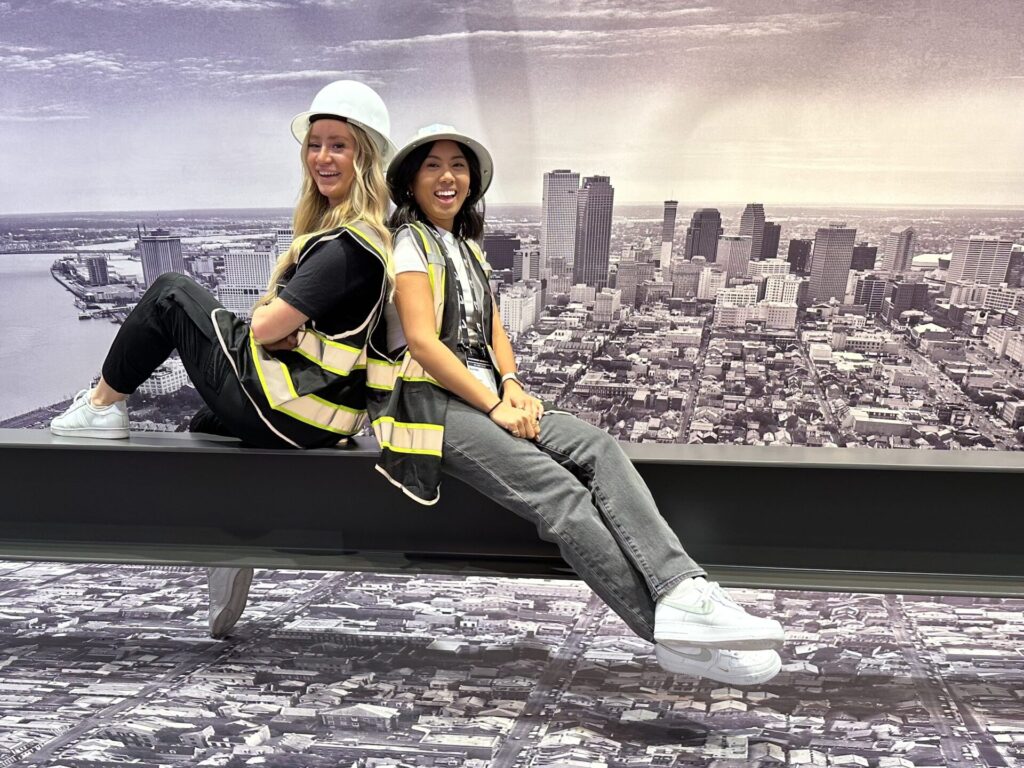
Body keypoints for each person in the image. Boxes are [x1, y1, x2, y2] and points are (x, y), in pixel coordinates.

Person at [367, 124, 785, 686]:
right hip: (430, 405)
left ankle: (684, 590)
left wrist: (512, 382)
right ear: (411, 182)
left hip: (485, 393)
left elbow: (492, 330)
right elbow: (422, 342)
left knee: (598, 446)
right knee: (559, 493)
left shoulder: (465, 247)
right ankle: (667, 633)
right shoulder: (409, 243)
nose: (448, 177)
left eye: (458, 165)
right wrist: (494, 406)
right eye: (433, 166)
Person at [50, 80, 396, 639]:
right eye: (315, 144)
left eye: (340, 145)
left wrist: (278, 325)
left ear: (366, 157)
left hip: (282, 406)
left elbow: (265, 326)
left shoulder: (346, 245)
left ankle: (100, 406)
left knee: (170, 292)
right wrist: (295, 334)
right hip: (319, 421)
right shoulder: (375, 240)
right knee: (207, 424)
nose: (322, 158)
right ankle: (230, 552)